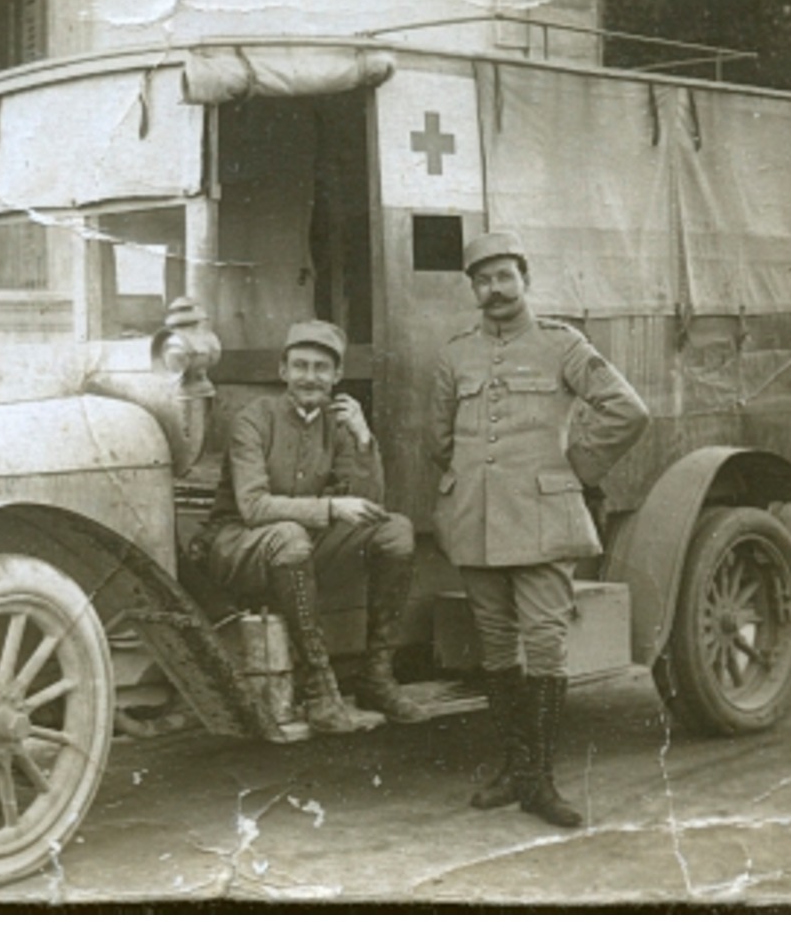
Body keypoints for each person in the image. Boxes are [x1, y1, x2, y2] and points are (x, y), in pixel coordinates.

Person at [429, 231, 650, 826]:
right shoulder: (454, 354)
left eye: (504, 276)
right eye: (483, 279)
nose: (494, 289)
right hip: (475, 521)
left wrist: (575, 467)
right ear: (472, 288)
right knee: (497, 647)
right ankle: (514, 770)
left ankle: (542, 781)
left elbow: (627, 410)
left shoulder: (562, 344)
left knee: (546, 646)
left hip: (546, 519)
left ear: (524, 278)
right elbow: (438, 439)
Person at [202, 320, 424, 734]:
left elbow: (370, 505)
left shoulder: (337, 423)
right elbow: (252, 507)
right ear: (283, 371)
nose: (310, 377)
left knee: (396, 530)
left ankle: (376, 677)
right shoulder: (255, 418)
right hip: (237, 545)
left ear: (337, 375)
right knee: (289, 535)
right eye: (300, 366)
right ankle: (320, 689)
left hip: (300, 548)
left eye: (321, 368)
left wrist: (362, 439)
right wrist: (330, 507)